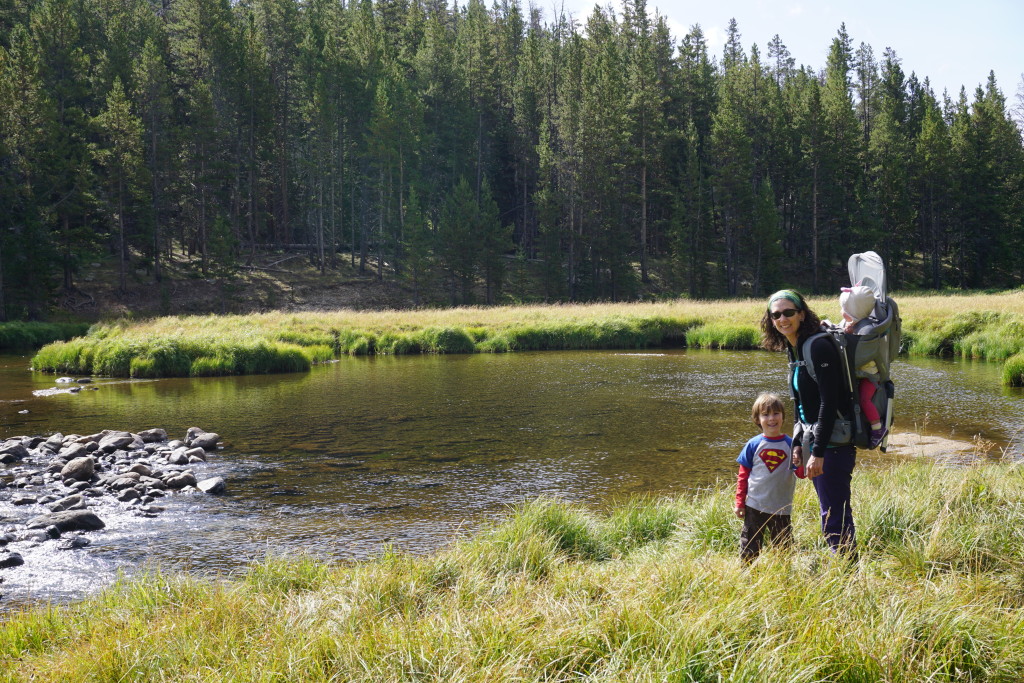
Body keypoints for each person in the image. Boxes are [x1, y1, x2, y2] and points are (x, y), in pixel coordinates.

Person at [760, 289, 858, 557]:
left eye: (788, 312)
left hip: (833, 444)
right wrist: (796, 443)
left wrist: (817, 452)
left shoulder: (817, 346)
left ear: (801, 314)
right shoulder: (795, 348)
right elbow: (801, 402)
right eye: (776, 315)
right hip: (815, 440)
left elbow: (829, 402)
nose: (782, 319)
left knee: (833, 516)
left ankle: (847, 575)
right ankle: (845, 569)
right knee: (831, 511)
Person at [734, 392, 804, 561]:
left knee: (783, 548)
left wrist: (800, 460)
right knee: (750, 546)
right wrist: (739, 503)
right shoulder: (753, 445)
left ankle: (782, 575)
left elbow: (801, 475)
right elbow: (743, 477)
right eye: (765, 415)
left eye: (776, 413)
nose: (771, 418)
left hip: (781, 507)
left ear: (783, 417)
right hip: (754, 505)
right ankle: (747, 575)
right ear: (757, 419)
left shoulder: (791, 444)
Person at [838, 285, 887, 447]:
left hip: (869, 375)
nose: (842, 312)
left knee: (865, 400)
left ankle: (877, 428)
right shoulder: (856, 324)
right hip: (860, 374)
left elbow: (857, 352)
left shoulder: (867, 329)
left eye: (845, 308)